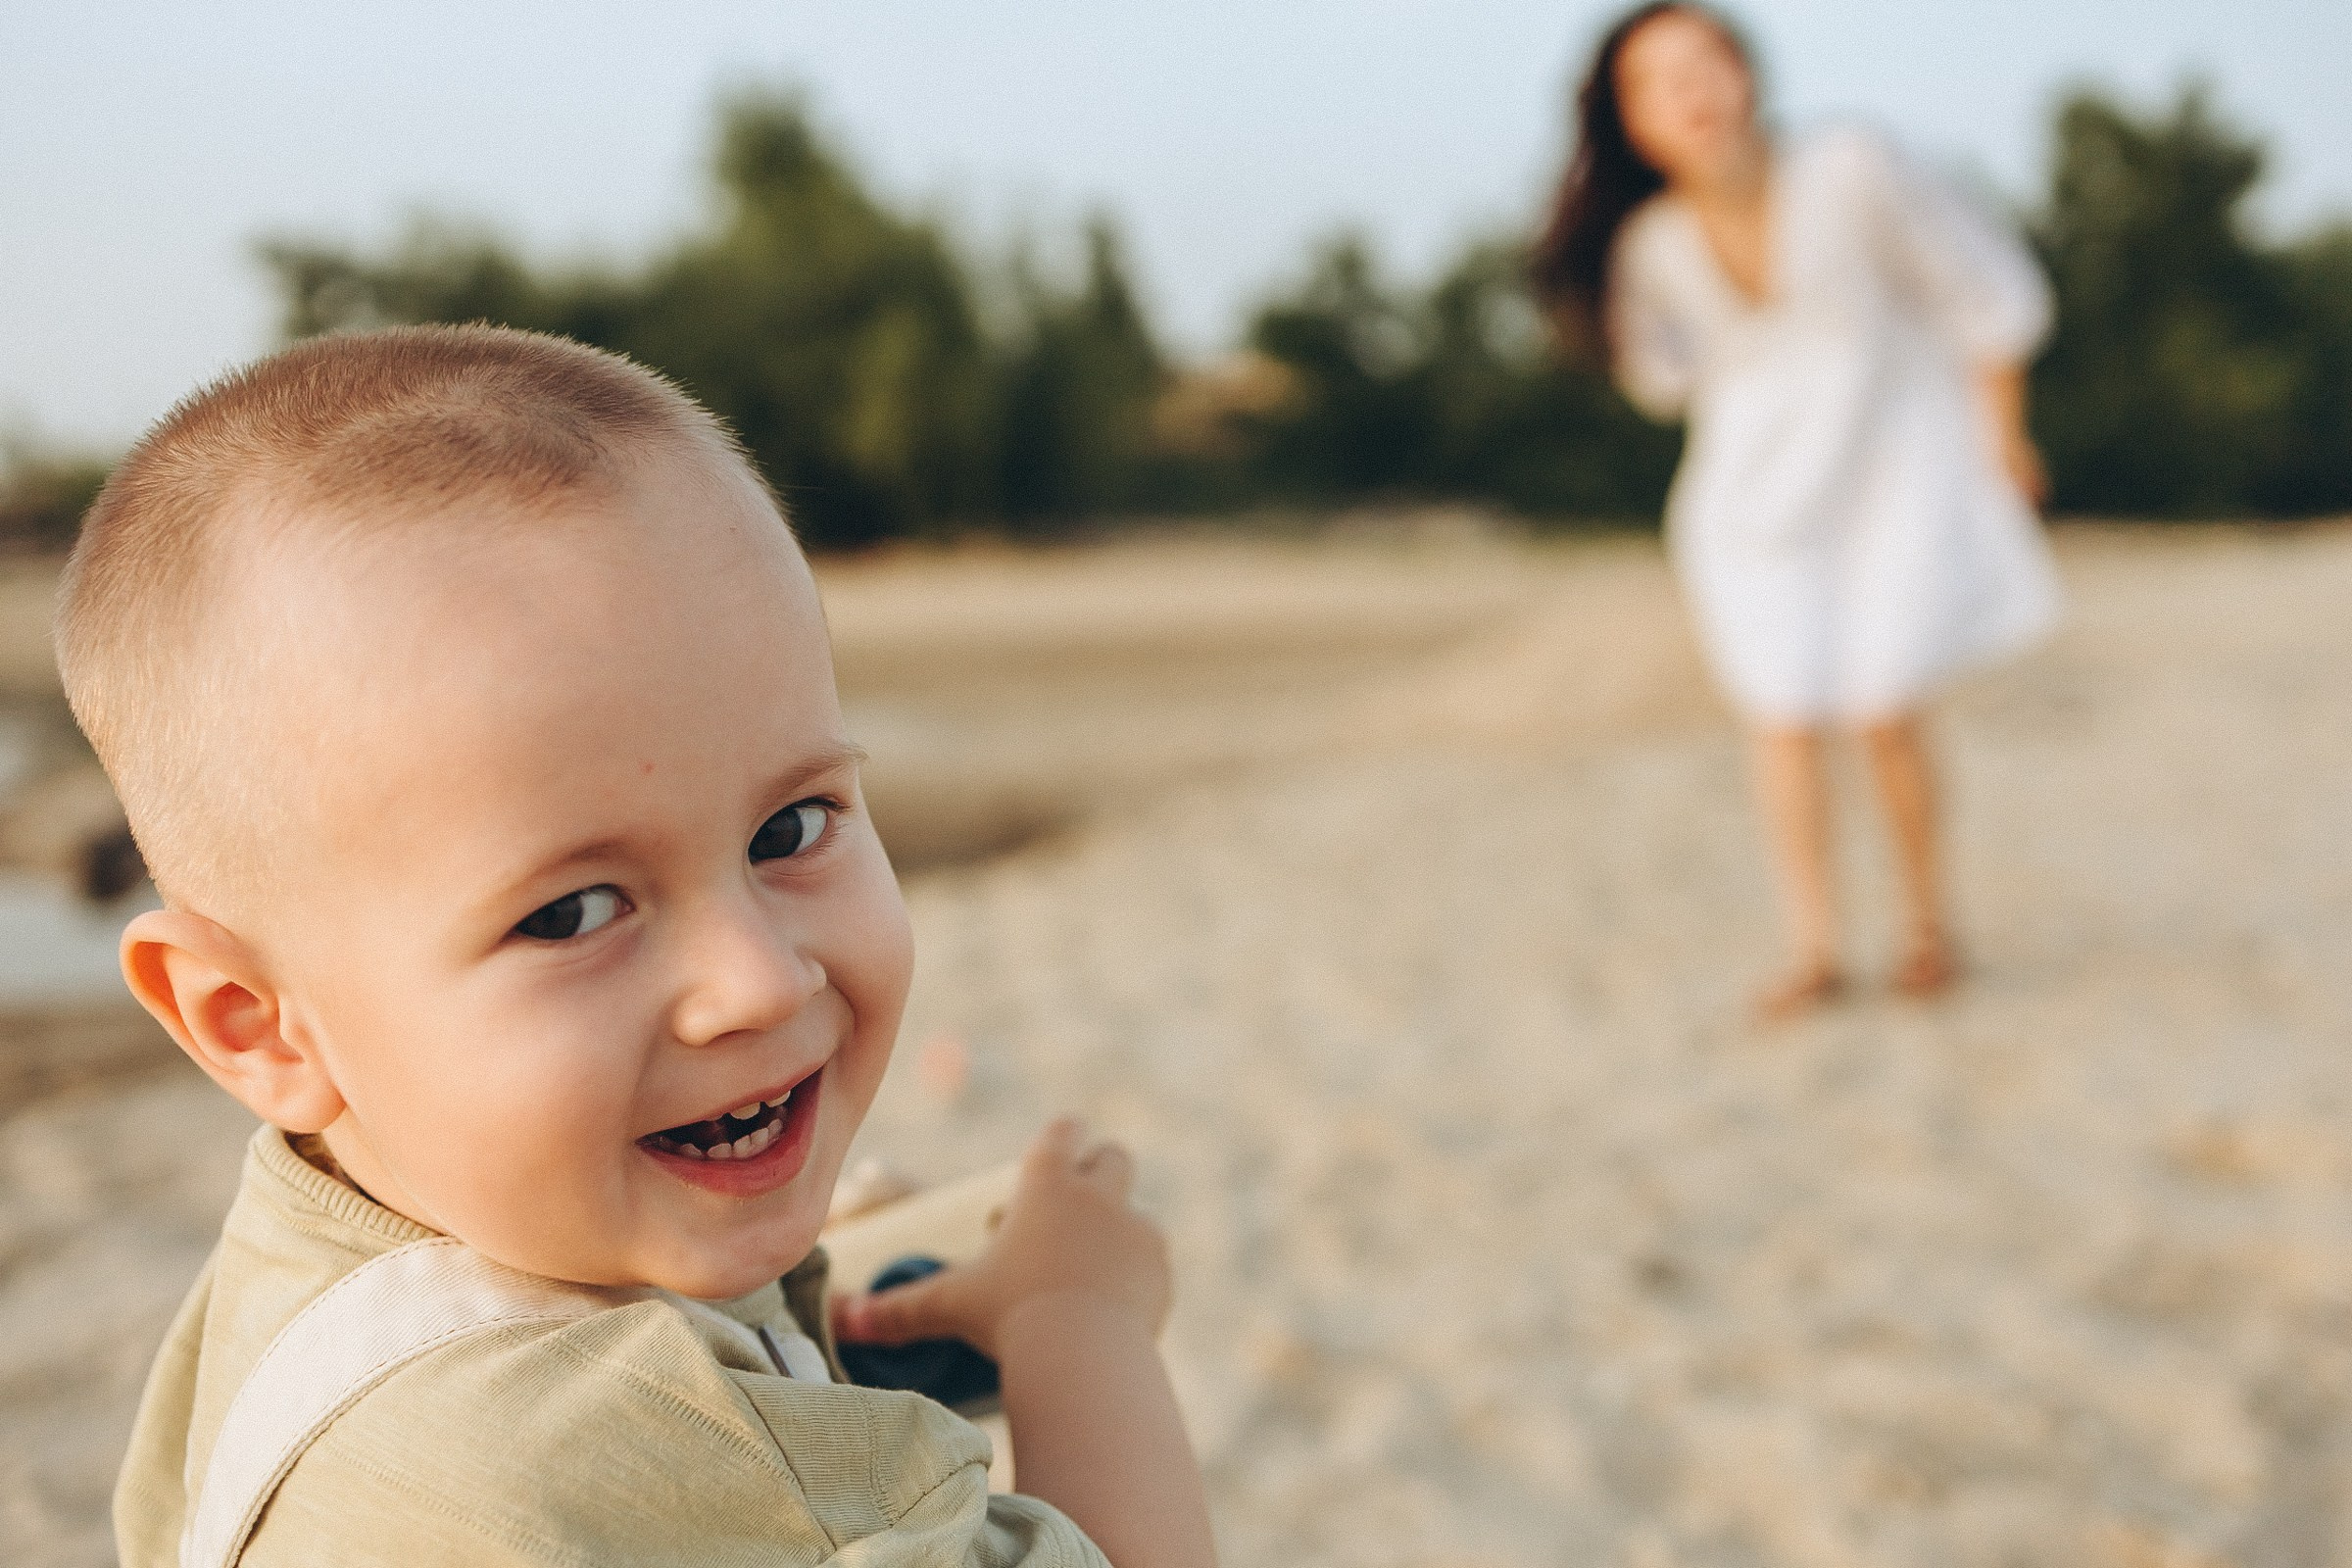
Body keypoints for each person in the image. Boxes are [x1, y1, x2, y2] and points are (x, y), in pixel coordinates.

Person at [73, 325, 1218, 1567]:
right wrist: (1075, 1318)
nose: (758, 980)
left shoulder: (295, 1278)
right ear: (253, 1019)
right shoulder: (670, 1460)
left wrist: (789, 1318)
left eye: (792, 826)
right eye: (571, 912)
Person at [1531, 2, 2061, 1022]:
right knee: (1781, 717)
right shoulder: (1653, 242)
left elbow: (1980, 296)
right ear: (1629, 121)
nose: (1690, 93)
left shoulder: (1852, 168)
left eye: (1705, 63)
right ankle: (1814, 945)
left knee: (1884, 703)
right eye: (1656, 82)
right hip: (1755, 498)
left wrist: (2003, 434)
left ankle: (1926, 925)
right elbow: (1662, 378)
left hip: (1896, 466)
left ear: (1747, 72)